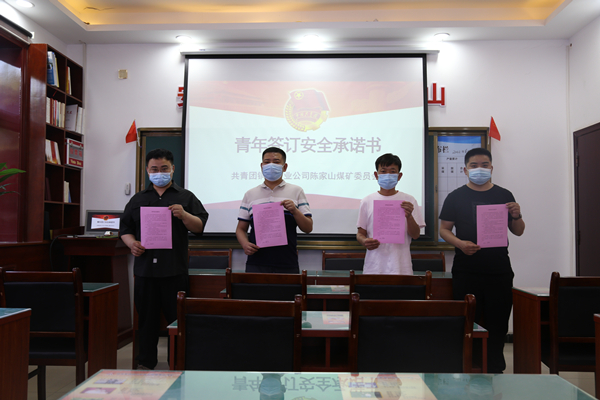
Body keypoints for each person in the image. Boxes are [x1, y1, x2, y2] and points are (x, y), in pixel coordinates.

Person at [120, 148, 208, 370]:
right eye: (154, 169)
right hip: (145, 271)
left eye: (164, 168)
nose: (159, 173)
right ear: (147, 170)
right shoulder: (138, 199)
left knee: (177, 321)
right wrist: (132, 244)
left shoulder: (186, 197)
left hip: (174, 270)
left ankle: (176, 364)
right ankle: (146, 363)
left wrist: (184, 215)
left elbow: (199, 227)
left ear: (173, 169)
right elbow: (125, 229)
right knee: (146, 321)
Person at [439, 147, 525, 373]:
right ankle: (467, 367)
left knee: (498, 323)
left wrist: (517, 215)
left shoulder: (504, 195)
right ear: (465, 170)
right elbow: (444, 229)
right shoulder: (455, 196)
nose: (479, 169)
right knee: (467, 322)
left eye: (484, 165)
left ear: (492, 168)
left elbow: (518, 231)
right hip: (466, 270)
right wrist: (460, 244)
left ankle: (495, 369)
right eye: (474, 165)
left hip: (499, 270)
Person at [236, 147, 312, 273]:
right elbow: (241, 228)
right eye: (267, 162)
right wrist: (245, 244)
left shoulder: (296, 191)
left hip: (287, 261)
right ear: (261, 166)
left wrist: (295, 211)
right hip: (256, 261)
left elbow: (308, 228)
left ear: (284, 167)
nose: (271, 165)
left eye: (276, 162)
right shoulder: (250, 194)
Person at [356, 153, 425, 274]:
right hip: (374, 266)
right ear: (376, 175)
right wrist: (364, 241)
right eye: (383, 171)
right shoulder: (367, 201)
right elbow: (360, 233)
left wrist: (409, 216)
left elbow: (415, 235)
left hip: (401, 266)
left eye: (392, 171)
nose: (387, 175)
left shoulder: (409, 200)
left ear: (399, 176)